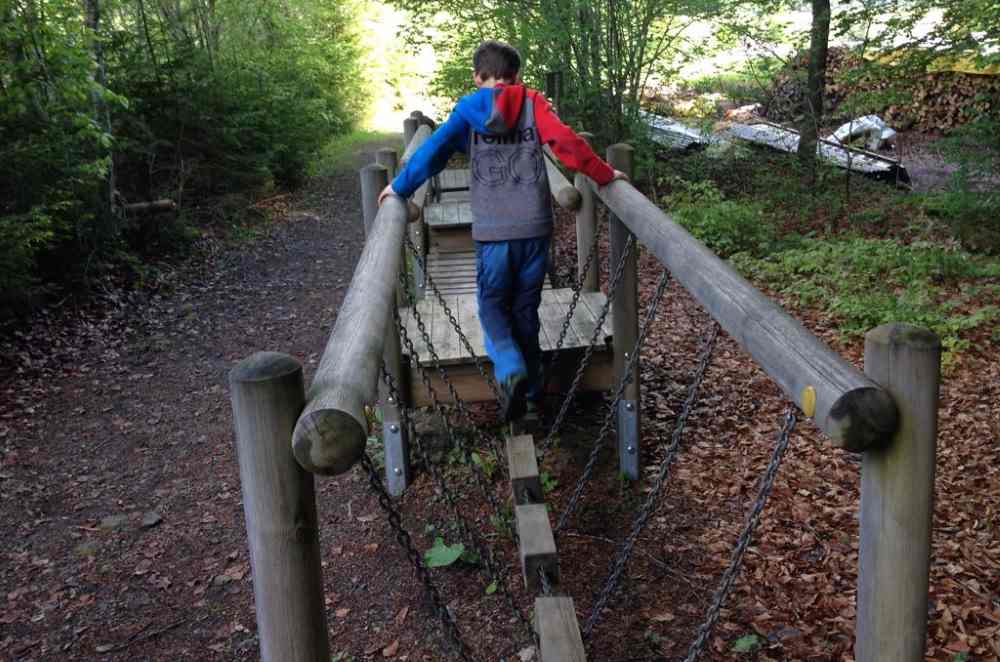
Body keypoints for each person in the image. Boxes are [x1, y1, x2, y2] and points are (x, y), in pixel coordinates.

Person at [379, 40, 624, 422]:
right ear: (517, 76)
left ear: (478, 77)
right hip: (535, 229)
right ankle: (531, 394)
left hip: (494, 233)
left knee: (493, 306)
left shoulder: (467, 109)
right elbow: (565, 142)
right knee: (526, 308)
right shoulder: (533, 103)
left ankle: (510, 369)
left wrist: (400, 187)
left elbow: (436, 149)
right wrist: (604, 174)